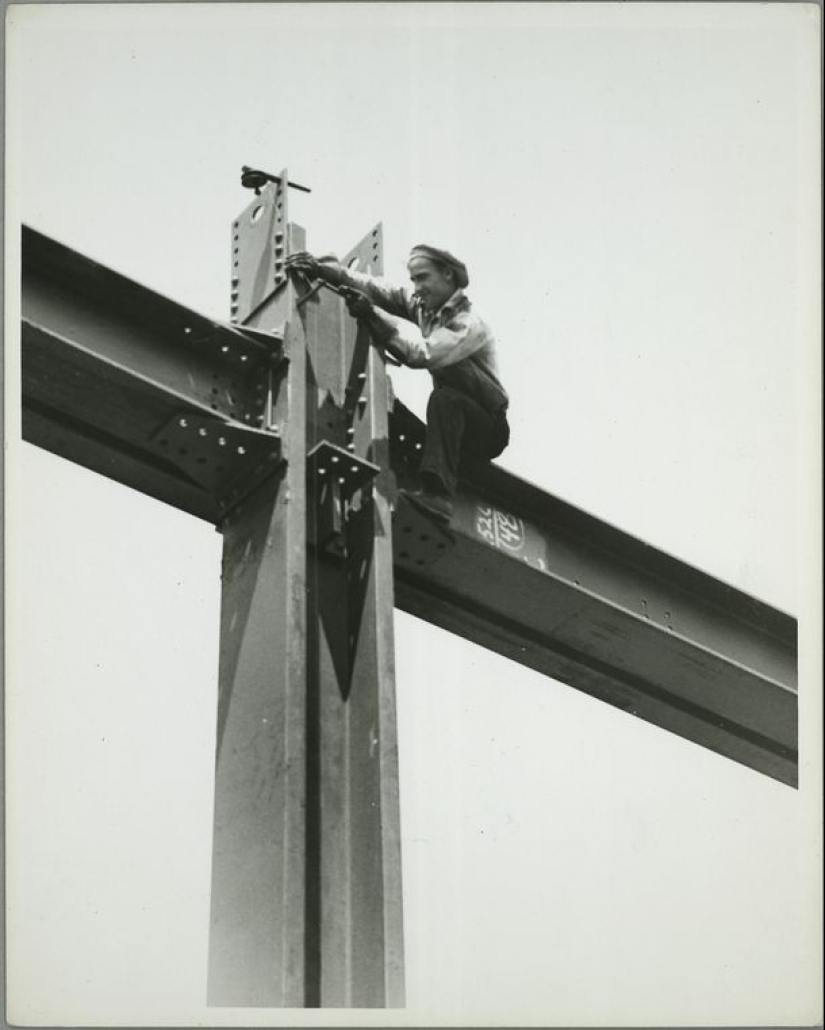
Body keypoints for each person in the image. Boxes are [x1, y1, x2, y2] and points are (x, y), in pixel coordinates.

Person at [285, 244, 509, 521]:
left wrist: (373, 318)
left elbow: (421, 354)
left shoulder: (469, 324)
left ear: (448, 275)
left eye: (423, 278)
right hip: (455, 424)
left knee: (445, 399)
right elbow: (380, 290)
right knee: (397, 414)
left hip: (486, 430)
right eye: (414, 279)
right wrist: (326, 271)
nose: (417, 287)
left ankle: (439, 496)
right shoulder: (425, 309)